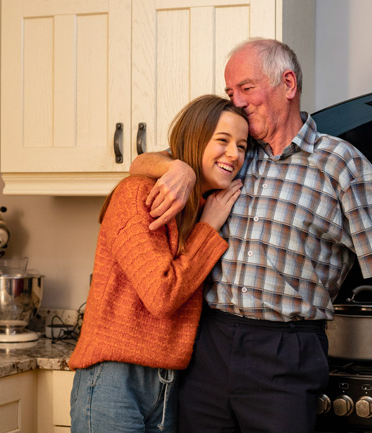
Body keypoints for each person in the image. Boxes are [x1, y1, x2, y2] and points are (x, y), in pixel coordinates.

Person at [129, 38, 372, 433]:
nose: (237, 102)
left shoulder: (342, 165)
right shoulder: (232, 154)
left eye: (246, 88)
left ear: (289, 84)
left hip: (286, 353)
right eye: (230, 92)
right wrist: (179, 168)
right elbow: (139, 163)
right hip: (207, 347)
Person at [68, 94, 249, 433]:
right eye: (222, 141)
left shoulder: (199, 206)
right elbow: (161, 295)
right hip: (114, 380)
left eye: (242, 146)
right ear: (194, 139)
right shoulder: (137, 194)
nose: (234, 155)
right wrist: (209, 229)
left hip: (168, 385)